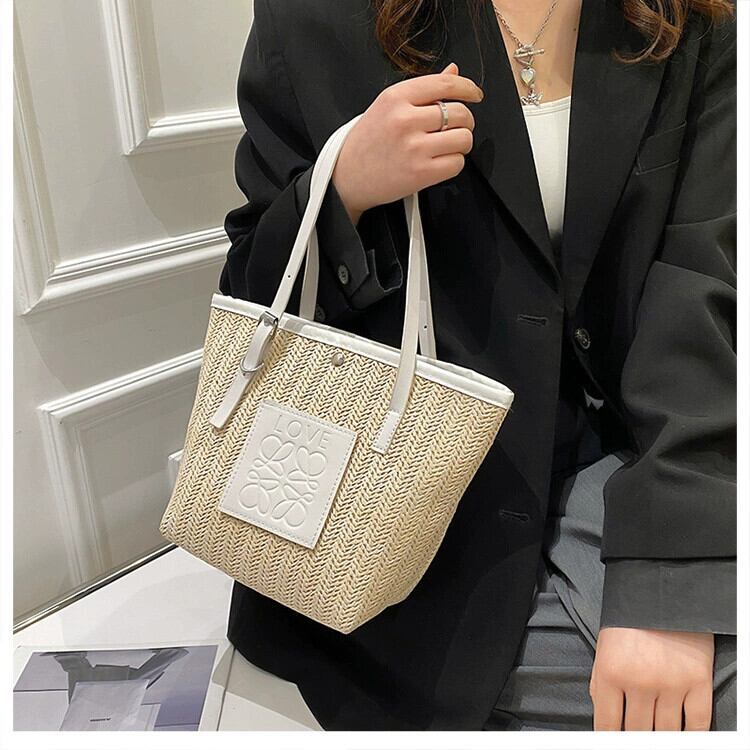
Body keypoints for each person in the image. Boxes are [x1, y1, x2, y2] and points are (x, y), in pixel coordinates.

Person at [218, 0, 737, 731]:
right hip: (400, 501)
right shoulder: (315, 17)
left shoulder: (693, 20)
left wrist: (666, 577)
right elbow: (254, 291)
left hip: (633, 454)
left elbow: (700, 289)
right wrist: (345, 189)